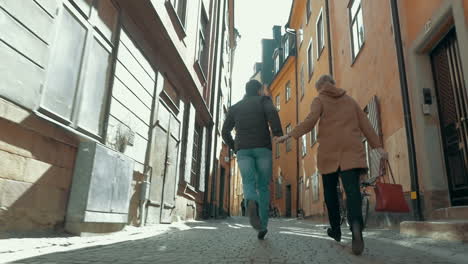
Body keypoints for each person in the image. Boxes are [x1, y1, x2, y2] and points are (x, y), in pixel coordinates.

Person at [276, 75, 388, 255]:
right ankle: (356, 225)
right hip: (351, 150)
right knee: (352, 192)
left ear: (320, 87)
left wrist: (289, 135)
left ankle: (335, 229)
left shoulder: (319, 99)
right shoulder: (350, 101)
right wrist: (378, 147)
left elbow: (310, 121)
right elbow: (366, 124)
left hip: (329, 152)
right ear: (334, 85)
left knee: (330, 192)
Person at [222, 79, 283, 240]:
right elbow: (272, 113)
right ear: (258, 91)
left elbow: (224, 131)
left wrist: (234, 146)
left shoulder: (235, 107)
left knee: (248, 182)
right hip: (262, 148)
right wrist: (277, 133)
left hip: (243, 150)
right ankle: (263, 225)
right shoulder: (264, 100)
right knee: (263, 186)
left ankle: (251, 201)